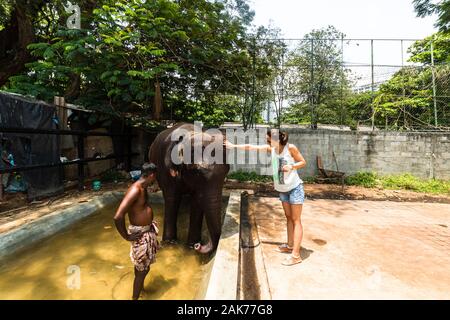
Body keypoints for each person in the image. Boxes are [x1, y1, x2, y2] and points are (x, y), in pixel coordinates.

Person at [225, 130, 307, 266]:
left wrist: (292, 166)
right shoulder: (272, 150)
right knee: (288, 218)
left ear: (277, 140)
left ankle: (296, 256)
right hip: (283, 190)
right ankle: (290, 245)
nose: (267, 143)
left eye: (269, 140)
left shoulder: (290, 148)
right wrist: (233, 146)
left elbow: (303, 162)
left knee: (296, 220)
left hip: (295, 188)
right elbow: (251, 147)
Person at [113, 163, 160, 299]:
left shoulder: (143, 188)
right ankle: (135, 298)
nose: (155, 179)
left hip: (145, 232)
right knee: (142, 270)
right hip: (140, 235)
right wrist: (126, 236)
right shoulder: (135, 190)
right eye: (155, 176)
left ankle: (141, 290)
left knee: (143, 268)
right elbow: (118, 216)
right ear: (151, 175)